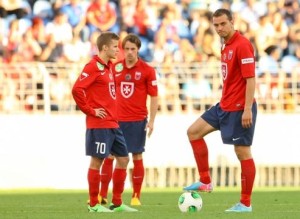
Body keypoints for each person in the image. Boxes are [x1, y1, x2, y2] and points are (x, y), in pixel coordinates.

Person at [183, 8, 257, 213]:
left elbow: (250, 79)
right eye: (216, 25)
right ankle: (205, 181)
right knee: (193, 132)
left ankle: (245, 203)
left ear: (232, 22)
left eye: (223, 24)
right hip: (223, 105)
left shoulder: (242, 45)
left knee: (242, 152)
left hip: (240, 108)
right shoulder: (225, 45)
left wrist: (247, 109)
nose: (219, 28)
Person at [72, 32, 137, 213]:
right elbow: (77, 89)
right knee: (97, 161)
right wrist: (91, 111)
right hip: (99, 124)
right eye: (116, 46)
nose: (119, 49)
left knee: (124, 159)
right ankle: (93, 204)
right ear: (105, 48)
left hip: (113, 123)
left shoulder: (108, 67)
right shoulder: (93, 66)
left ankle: (116, 203)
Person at [99, 33, 158, 206]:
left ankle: (136, 196)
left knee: (137, 155)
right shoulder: (115, 67)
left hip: (137, 120)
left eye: (133, 49)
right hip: (116, 120)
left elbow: (154, 96)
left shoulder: (148, 70)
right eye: (126, 49)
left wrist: (152, 120)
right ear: (122, 50)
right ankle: (102, 194)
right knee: (109, 156)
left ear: (138, 49)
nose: (130, 52)